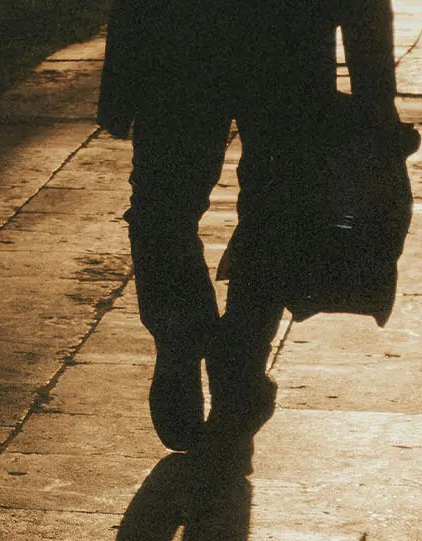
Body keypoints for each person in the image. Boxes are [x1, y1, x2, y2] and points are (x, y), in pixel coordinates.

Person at [98, 0, 400, 451]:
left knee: (164, 207)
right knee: (274, 209)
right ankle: (240, 359)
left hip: (180, 39)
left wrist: (122, 76)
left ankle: (183, 335)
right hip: (286, 38)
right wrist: (376, 96)